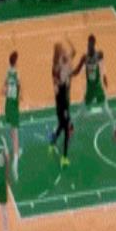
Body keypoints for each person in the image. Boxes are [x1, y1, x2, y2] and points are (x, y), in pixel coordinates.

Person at [72, 34, 116, 142]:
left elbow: (103, 65)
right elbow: (77, 71)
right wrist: (69, 74)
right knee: (82, 109)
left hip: (98, 87)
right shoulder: (84, 57)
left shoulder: (99, 54)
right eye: (88, 44)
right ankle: (71, 127)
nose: (89, 46)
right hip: (90, 89)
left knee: (106, 109)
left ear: (94, 44)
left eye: (91, 44)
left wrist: (105, 76)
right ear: (87, 44)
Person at [49, 40, 76, 168]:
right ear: (60, 54)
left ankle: (52, 142)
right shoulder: (59, 67)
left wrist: (69, 41)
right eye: (63, 51)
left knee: (62, 125)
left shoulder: (58, 65)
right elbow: (57, 86)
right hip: (62, 102)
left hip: (62, 101)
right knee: (66, 129)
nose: (66, 53)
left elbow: (73, 52)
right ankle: (64, 157)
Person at [3, 51, 21, 181]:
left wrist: (9, 92)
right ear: (16, 61)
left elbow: (4, 89)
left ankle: (14, 152)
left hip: (7, 104)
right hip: (14, 105)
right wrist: (18, 96)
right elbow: (19, 87)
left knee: (11, 129)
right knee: (16, 135)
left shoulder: (7, 73)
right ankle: (15, 162)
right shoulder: (16, 74)